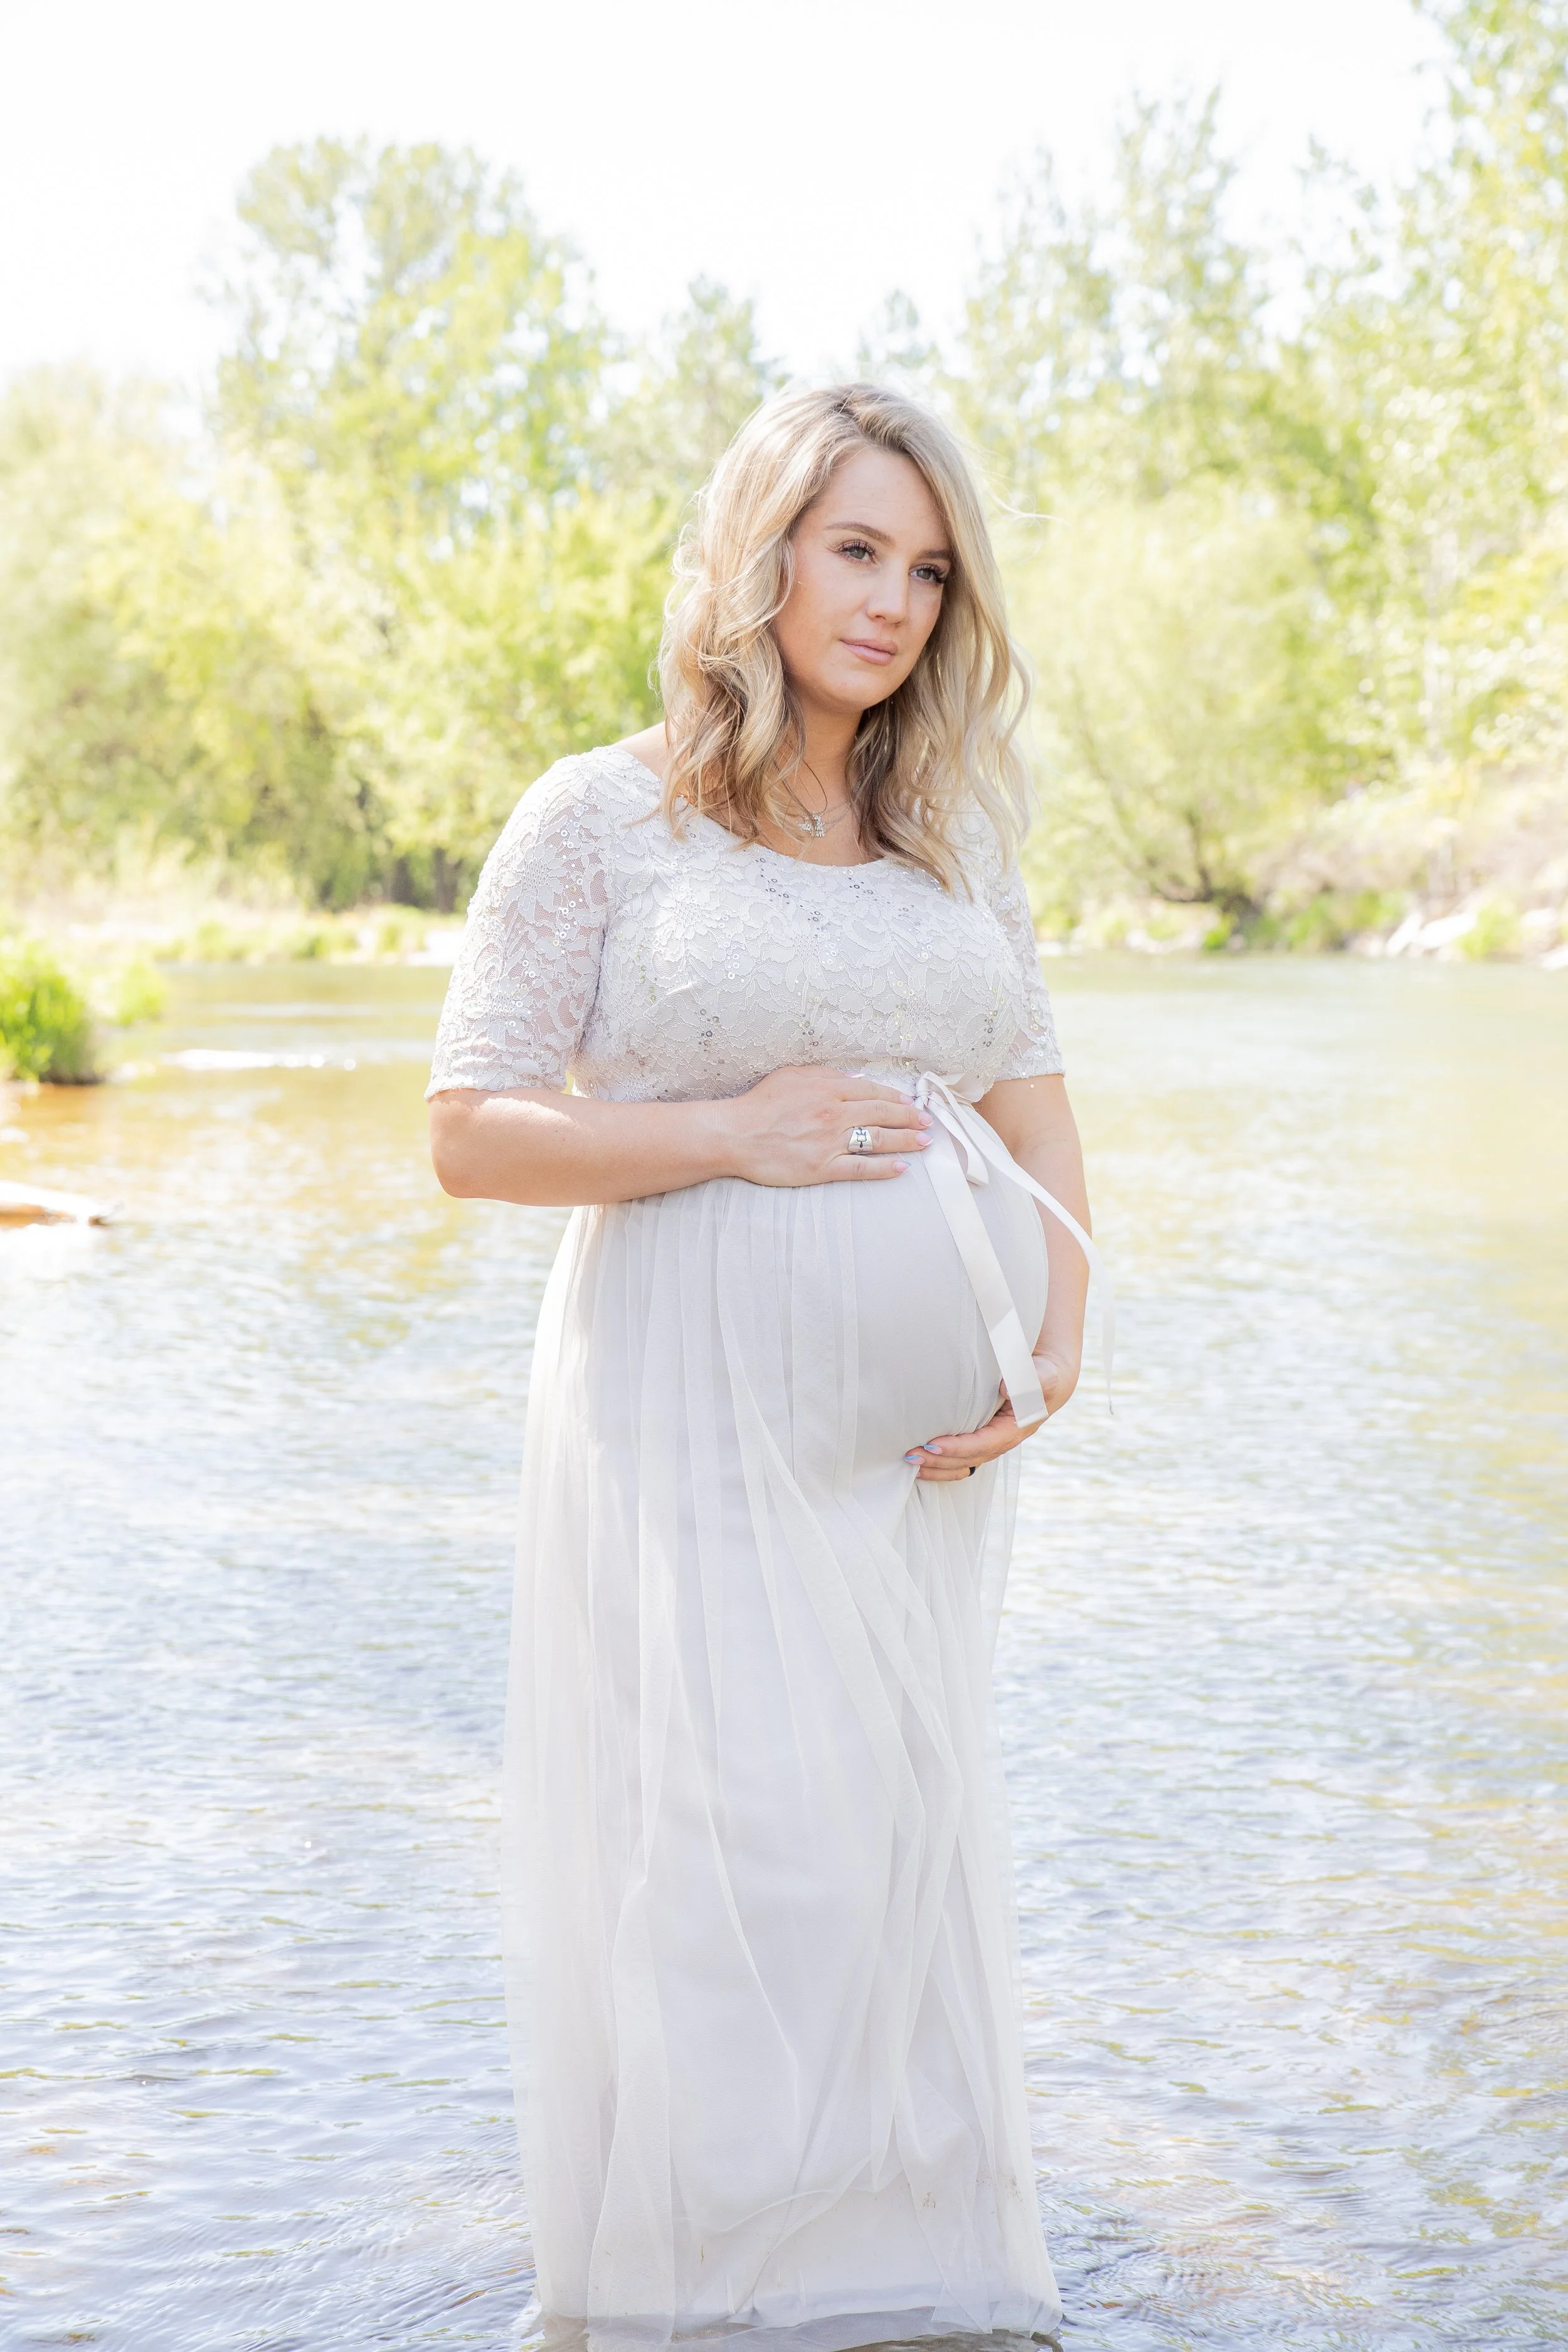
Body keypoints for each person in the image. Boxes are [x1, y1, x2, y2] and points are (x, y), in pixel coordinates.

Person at [426, 382, 1104, 2352]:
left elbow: (1040, 1111)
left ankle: (895, 2278)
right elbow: (470, 1133)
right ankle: (701, 2291)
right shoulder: (601, 819)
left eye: (924, 567)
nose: (890, 602)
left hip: (916, 1457)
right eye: (853, 548)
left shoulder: (953, 841)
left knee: (891, 1829)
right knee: (732, 1841)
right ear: (763, 551)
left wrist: (1056, 1334)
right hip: (686, 1401)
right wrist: (733, 1129)